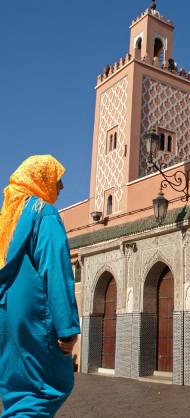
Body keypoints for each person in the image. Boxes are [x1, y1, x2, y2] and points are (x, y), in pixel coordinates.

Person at [0, 155, 80, 417]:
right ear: (41, 179)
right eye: (57, 180)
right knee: (48, 388)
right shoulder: (44, 213)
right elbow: (55, 268)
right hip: (35, 320)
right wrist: (66, 329)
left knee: (17, 391)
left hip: (7, 320)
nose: (61, 187)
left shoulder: (7, 218)